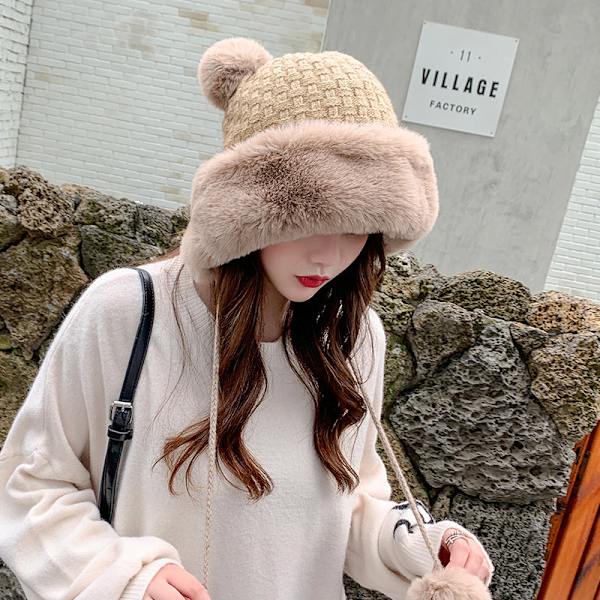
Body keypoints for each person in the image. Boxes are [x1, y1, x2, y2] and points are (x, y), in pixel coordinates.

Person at [0, 37, 494, 600]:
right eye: (307, 218)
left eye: (358, 224)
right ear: (245, 210)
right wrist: (128, 577)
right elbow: (29, 484)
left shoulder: (356, 338)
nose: (328, 255)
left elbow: (344, 506)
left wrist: (419, 545)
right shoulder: (129, 312)